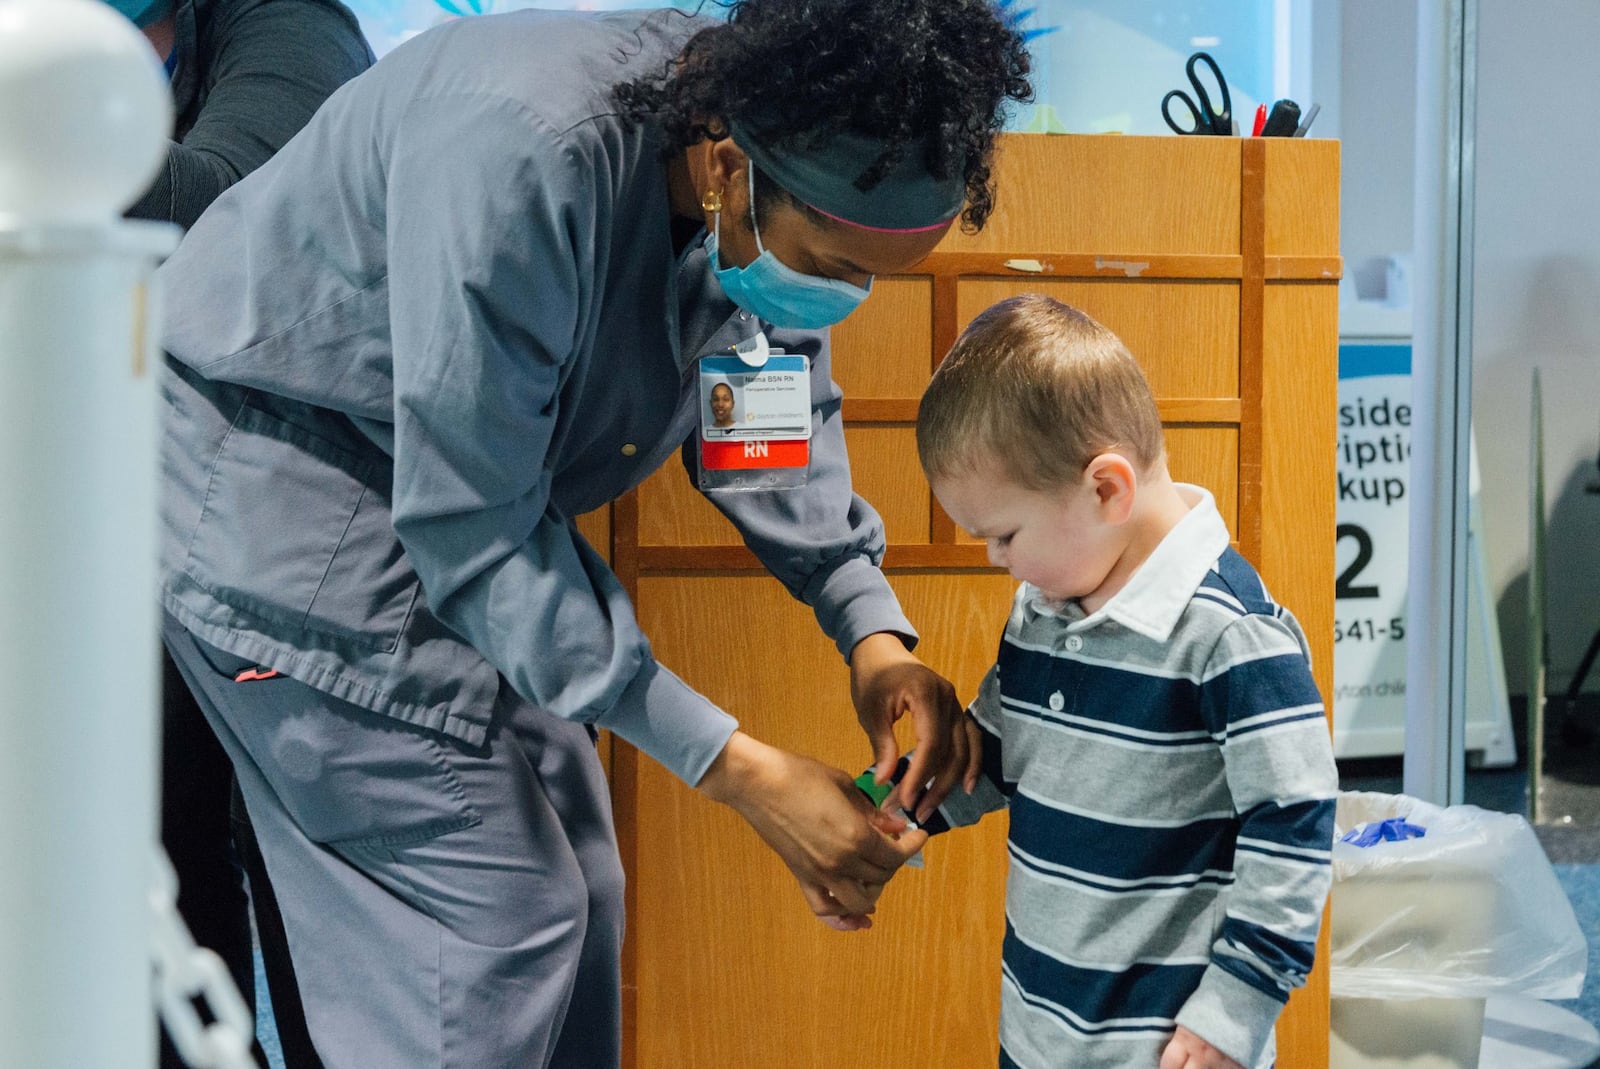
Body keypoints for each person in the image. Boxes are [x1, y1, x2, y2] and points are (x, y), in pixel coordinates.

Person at [153, 2, 1032, 1065]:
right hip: (281, 505)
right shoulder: (521, 151)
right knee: (491, 915)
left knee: (584, 887)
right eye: (829, 262)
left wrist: (871, 636)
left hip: (457, 512)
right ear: (725, 166)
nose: (839, 297)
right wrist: (745, 771)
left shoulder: (759, 153)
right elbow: (473, 535)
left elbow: (757, 408)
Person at [910, 295, 1338, 1069]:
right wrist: (906, 811)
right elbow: (1003, 752)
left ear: (1108, 489)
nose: (995, 559)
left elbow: (1296, 830)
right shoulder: (1043, 611)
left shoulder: (1232, 635)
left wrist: (1233, 1014)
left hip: (1169, 1047)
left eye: (1004, 535)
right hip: (1041, 1031)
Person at [112, 1, 372, 1066]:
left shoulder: (286, 24)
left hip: (267, 553)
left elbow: (224, 217)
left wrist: (49, 114)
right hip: (95, 529)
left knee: (245, 875)